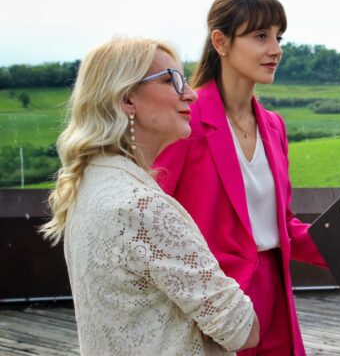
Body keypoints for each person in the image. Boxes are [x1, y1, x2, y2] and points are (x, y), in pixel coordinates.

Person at [40, 38, 259, 355]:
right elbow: (242, 329)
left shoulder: (89, 184)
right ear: (127, 99)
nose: (191, 93)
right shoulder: (142, 206)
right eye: (171, 80)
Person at [155, 0, 326, 356]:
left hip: (276, 298)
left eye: (279, 37)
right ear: (221, 41)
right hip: (214, 302)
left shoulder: (275, 126)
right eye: (260, 36)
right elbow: (154, 214)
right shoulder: (187, 117)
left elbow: (281, 224)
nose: (275, 49)